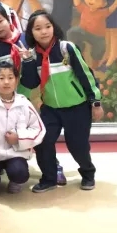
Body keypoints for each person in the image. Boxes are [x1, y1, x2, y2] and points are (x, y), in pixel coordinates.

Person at [19, 12, 104, 192]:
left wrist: (95, 102)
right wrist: (27, 62)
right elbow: (30, 83)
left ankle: (88, 173)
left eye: (47, 26)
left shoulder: (67, 48)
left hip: (77, 107)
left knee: (77, 145)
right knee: (42, 141)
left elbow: (86, 75)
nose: (44, 32)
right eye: (38, 28)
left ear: (54, 28)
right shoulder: (32, 55)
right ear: (31, 33)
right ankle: (49, 178)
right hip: (50, 109)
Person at [0, 63, 45, 196]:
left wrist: (19, 138)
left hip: (15, 154)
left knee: (19, 172)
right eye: (1, 78)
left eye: (10, 78)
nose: (6, 82)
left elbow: (39, 129)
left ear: (16, 81)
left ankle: (16, 180)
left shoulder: (23, 103)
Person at [68, 0, 117, 69]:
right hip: (82, 30)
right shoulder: (85, 8)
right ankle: (79, 49)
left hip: (97, 35)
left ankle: (95, 63)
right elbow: (77, 3)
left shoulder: (102, 12)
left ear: (104, 3)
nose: (91, 0)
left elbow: (110, 10)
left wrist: (116, 2)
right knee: (72, 33)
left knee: (100, 47)